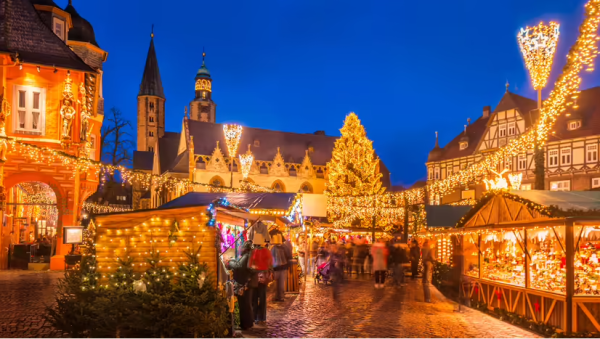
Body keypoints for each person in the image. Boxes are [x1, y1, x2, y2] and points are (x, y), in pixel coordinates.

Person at [228, 242, 254, 330]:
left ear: (245, 248)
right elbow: (240, 264)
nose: (240, 249)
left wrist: (230, 262)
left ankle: (246, 324)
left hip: (243, 283)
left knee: (244, 304)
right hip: (245, 282)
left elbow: (239, 266)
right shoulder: (248, 255)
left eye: (242, 247)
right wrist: (233, 260)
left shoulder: (246, 256)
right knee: (246, 304)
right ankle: (248, 323)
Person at [250, 238, 272, 327]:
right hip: (263, 277)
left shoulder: (253, 252)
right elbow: (270, 263)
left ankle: (255, 317)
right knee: (262, 298)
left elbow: (251, 264)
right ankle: (262, 318)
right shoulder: (266, 251)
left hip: (255, 276)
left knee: (254, 298)